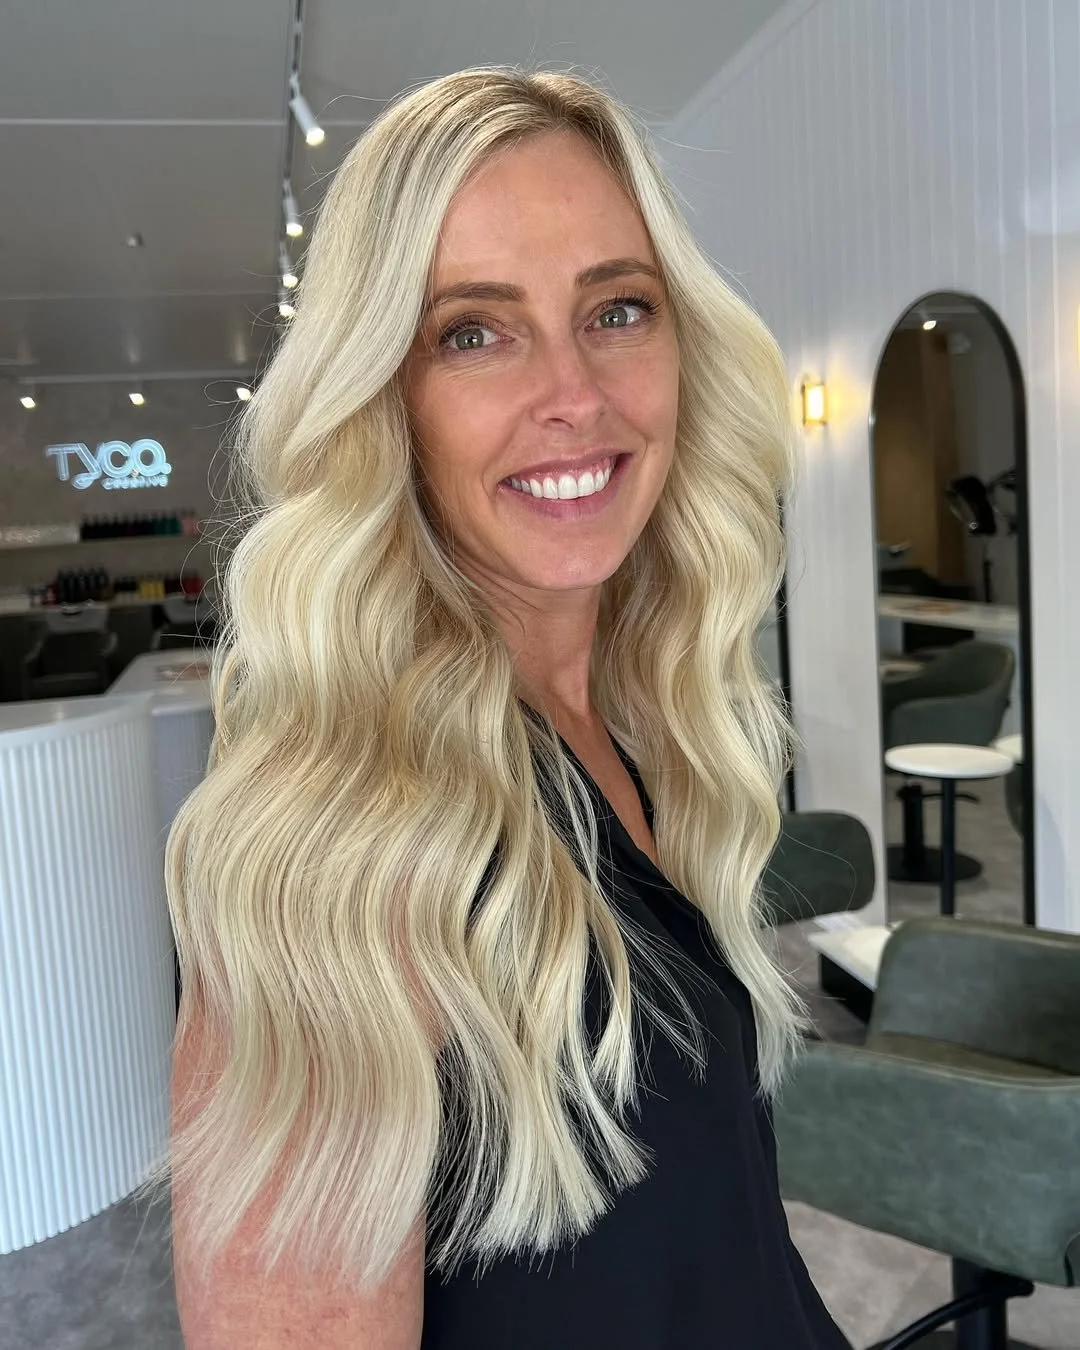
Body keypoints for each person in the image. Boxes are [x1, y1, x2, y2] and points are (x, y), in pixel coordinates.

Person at [144, 66, 852, 1349]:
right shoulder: (331, 853)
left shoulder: (635, 720)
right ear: (384, 397)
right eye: (473, 332)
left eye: (618, 309)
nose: (575, 394)